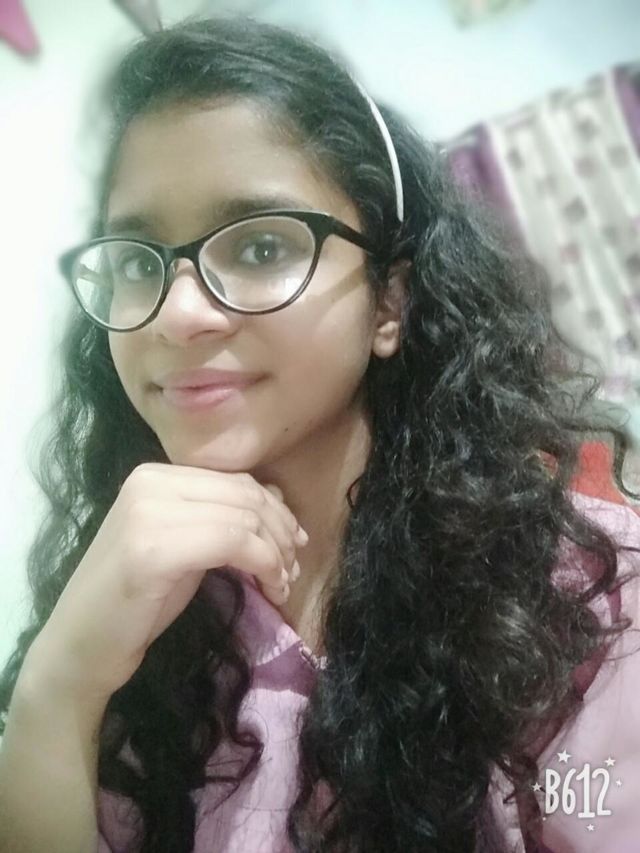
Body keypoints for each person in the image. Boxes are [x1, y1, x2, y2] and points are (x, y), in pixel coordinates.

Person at [1, 14, 639, 853]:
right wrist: (56, 694)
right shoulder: (133, 618)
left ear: (389, 301)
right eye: (134, 259)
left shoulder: (583, 595)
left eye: (261, 246)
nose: (177, 313)